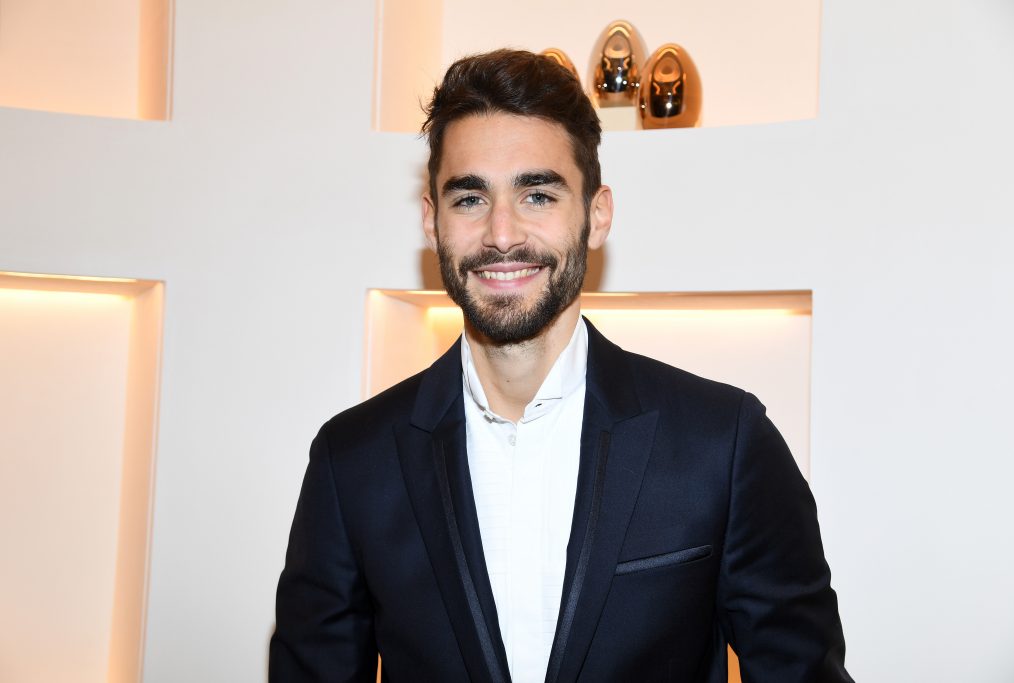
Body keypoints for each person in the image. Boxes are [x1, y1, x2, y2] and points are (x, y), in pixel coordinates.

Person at [270, 49, 853, 683]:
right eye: (470, 199)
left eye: (538, 195)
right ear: (431, 220)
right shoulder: (352, 461)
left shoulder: (724, 441)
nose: (502, 234)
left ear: (597, 216)